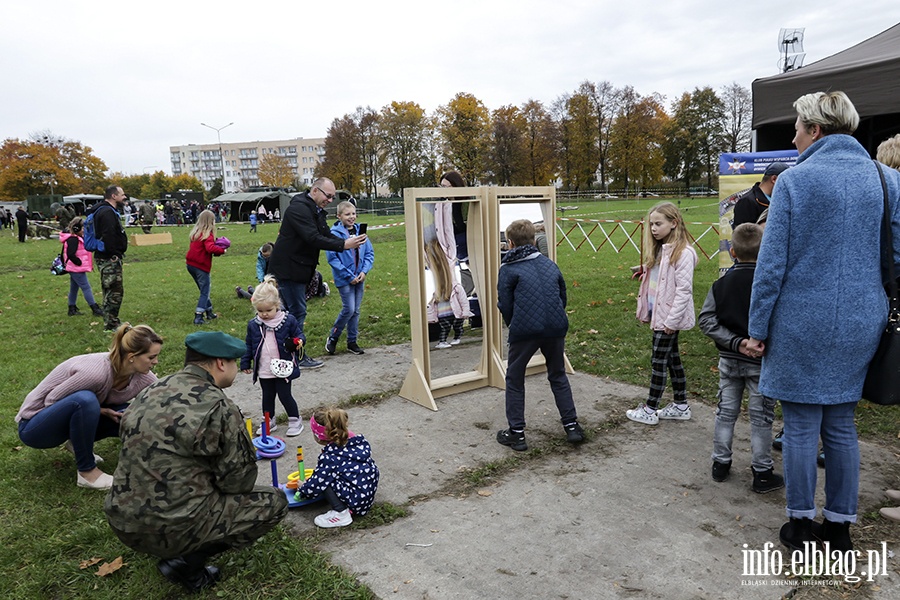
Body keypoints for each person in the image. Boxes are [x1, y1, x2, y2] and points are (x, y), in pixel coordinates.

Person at [747, 91, 900, 553]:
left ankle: (798, 523)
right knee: (840, 426)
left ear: (815, 129)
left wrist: (756, 329)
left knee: (798, 426)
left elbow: (770, 267)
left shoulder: (796, 182)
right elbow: (896, 255)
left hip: (800, 320)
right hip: (862, 318)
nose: (792, 135)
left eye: (796, 126)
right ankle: (839, 528)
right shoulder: (887, 178)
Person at [105, 331, 287, 593]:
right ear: (220, 363)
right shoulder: (219, 406)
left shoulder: (149, 391)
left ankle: (173, 545)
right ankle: (187, 562)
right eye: (235, 362)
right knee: (275, 502)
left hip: (122, 520)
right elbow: (239, 482)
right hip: (174, 526)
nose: (235, 369)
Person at [16, 324, 162, 490]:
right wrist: (100, 410)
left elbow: (164, 398)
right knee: (85, 400)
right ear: (132, 356)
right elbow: (52, 400)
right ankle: (87, 473)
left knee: (132, 413)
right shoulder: (95, 372)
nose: (155, 362)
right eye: (151, 357)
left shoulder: (141, 376)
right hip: (35, 427)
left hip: (70, 418)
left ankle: (77, 444)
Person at [698, 223, 783, 493]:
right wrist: (749, 343)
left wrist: (735, 343)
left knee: (725, 413)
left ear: (732, 252)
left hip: (729, 360)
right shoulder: (772, 287)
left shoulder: (720, 285)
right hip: (760, 363)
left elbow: (707, 322)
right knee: (761, 419)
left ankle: (720, 464)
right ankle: (762, 472)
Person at [495, 219, 584, 451]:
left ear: (510, 243)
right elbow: (562, 295)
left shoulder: (508, 269)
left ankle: (516, 433)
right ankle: (572, 425)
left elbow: (505, 303)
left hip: (525, 330)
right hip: (555, 327)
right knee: (557, 374)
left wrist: (513, 323)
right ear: (534, 240)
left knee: (514, 378)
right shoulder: (549, 264)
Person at [268, 177, 367, 369]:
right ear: (315, 191)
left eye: (332, 197)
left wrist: (343, 241)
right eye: (328, 196)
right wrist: (343, 244)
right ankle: (296, 356)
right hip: (289, 269)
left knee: (287, 313)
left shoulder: (314, 210)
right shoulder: (299, 209)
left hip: (297, 268)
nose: (330, 200)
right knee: (296, 312)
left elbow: (325, 233)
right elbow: (312, 238)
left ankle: (283, 354)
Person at [626, 201, 698, 425]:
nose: (653, 228)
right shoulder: (662, 251)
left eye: (658, 223)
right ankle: (680, 404)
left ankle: (650, 409)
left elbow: (684, 290)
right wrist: (645, 270)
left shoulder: (683, 253)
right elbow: (662, 276)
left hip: (667, 318)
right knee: (672, 360)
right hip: (660, 315)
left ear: (674, 223)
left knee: (658, 361)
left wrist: (671, 320)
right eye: (651, 224)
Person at [240, 276, 304, 437]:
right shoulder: (254, 325)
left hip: (283, 367)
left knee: (284, 394)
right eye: (260, 311)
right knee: (267, 396)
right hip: (264, 368)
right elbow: (249, 344)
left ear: (277, 305)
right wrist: (245, 362)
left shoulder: (287, 320)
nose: (264, 314)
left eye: (268, 311)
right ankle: (269, 421)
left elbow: (299, 335)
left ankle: (295, 420)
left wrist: (298, 342)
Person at [298, 408, 379, 528]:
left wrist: (303, 489)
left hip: (356, 502)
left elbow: (317, 482)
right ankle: (347, 503)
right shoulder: (357, 442)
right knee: (332, 474)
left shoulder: (331, 457)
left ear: (318, 436)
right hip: (366, 495)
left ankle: (341, 513)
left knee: (325, 479)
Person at [325, 201, 374, 356]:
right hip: (344, 278)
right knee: (349, 309)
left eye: (353, 213)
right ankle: (333, 337)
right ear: (339, 216)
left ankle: (352, 342)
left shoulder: (361, 232)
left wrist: (364, 272)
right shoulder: (334, 234)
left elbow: (369, 254)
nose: (351, 217)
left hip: (359, 278)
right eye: (347, 214)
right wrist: (348, 275)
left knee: (356, 311)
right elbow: (332, 259)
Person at [93, 186, 128, 332]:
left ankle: (111, 321)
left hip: (108, 257)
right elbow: (108, 236)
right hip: (109, 258)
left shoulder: (105, 210)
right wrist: (114, 253)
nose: (124, 197)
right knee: (114, 291)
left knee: (111, 290)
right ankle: (111, 324)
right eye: (122, 194)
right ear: (114, 196)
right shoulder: (107, 212)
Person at [185, 209, 226, 325]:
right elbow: (210, 248)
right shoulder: (207, 234)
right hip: (201, 266)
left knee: (203, 290)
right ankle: (198, 316)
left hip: (190, 264)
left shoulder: (196, 233)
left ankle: (209, 312)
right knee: (205, 291)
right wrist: (222, 250)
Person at [60, 217, 104, 317]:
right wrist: (78, 262)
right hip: (76, 268)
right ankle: (94, 308)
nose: (84, 230)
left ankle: (72, 308)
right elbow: (71, 254)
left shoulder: (77, 238)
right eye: (82, 228)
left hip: (75, 268)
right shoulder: (73, 239)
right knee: (86, 287)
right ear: (76, 228)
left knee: (74, 288)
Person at [731, 162, 788, 228]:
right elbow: (742, 235)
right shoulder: (747, 201)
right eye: (786, 181)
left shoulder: (778, 199)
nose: (788, 186)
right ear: (774, 179)